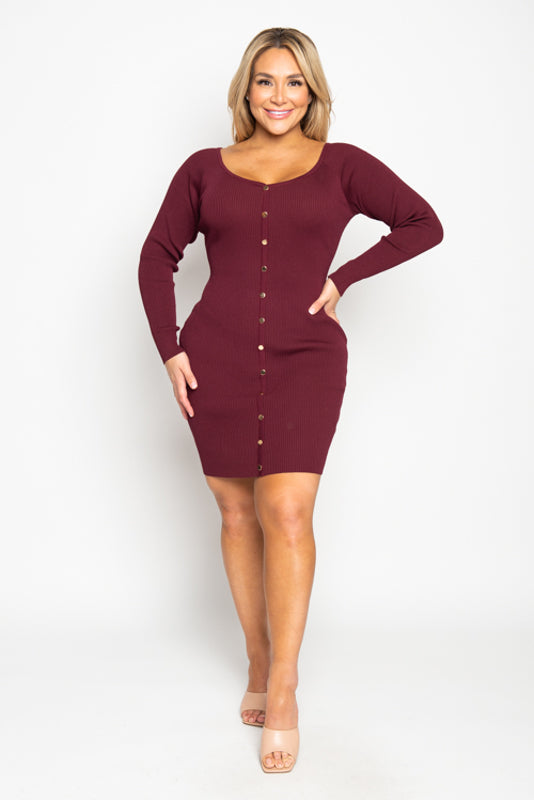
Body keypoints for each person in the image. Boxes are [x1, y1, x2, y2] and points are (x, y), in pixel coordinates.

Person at [138, 26, 444, 774]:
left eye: (294, 82)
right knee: (236, 512)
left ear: (313, 92)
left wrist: (343, 278)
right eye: (266, 81)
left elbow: (422, 223)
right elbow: (156, 255)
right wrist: (170, 349)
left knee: (287, 511)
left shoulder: (342, 165)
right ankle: (255, 654)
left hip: (307, 357)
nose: (279, 96)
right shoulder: (203, 169)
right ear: (246, 89)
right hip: (214, 357)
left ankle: (283, 686)